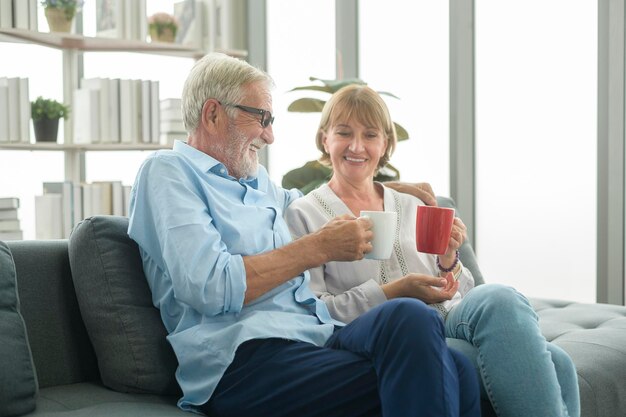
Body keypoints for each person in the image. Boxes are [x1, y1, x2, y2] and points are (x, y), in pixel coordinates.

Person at [127, 52, 481, 417]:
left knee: (443, 350)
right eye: (260, 117)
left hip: (313, 336)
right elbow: (209, 286)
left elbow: (319, 201)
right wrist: (315, 248)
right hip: (243, 361)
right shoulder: (168, 173)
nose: (270, 135)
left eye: (271, 120)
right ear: (213, 114)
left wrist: (386, 186)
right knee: (438, 355)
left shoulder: (258, 183)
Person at [284, 84, 581, 417]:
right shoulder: (303, 214)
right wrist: (389, 293)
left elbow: (462, 291)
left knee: (501, 298)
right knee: (557, 362)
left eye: (370, 135)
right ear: (325, 139)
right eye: (343, 133)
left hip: (449, 317)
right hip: (391, 336)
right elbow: (314, 311)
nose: (357, 146)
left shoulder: (413, 205)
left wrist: (448, 261)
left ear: (385, 145)